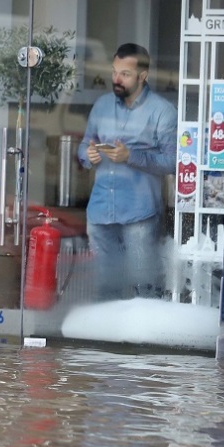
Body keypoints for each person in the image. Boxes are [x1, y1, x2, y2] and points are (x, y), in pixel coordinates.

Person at [77, 43, 178, 299]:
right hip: (100, 212)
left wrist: (130, 156)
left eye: (125, 74)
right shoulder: (101, 106)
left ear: (143, 76)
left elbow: (173, 161)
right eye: (114, 71)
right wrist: (87, 155)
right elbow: (84, 143)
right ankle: (104, 339)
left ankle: (145, 339)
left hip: (139, 214)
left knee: (145, 289)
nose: (116, 79)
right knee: (104, 289)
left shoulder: (162, 112)